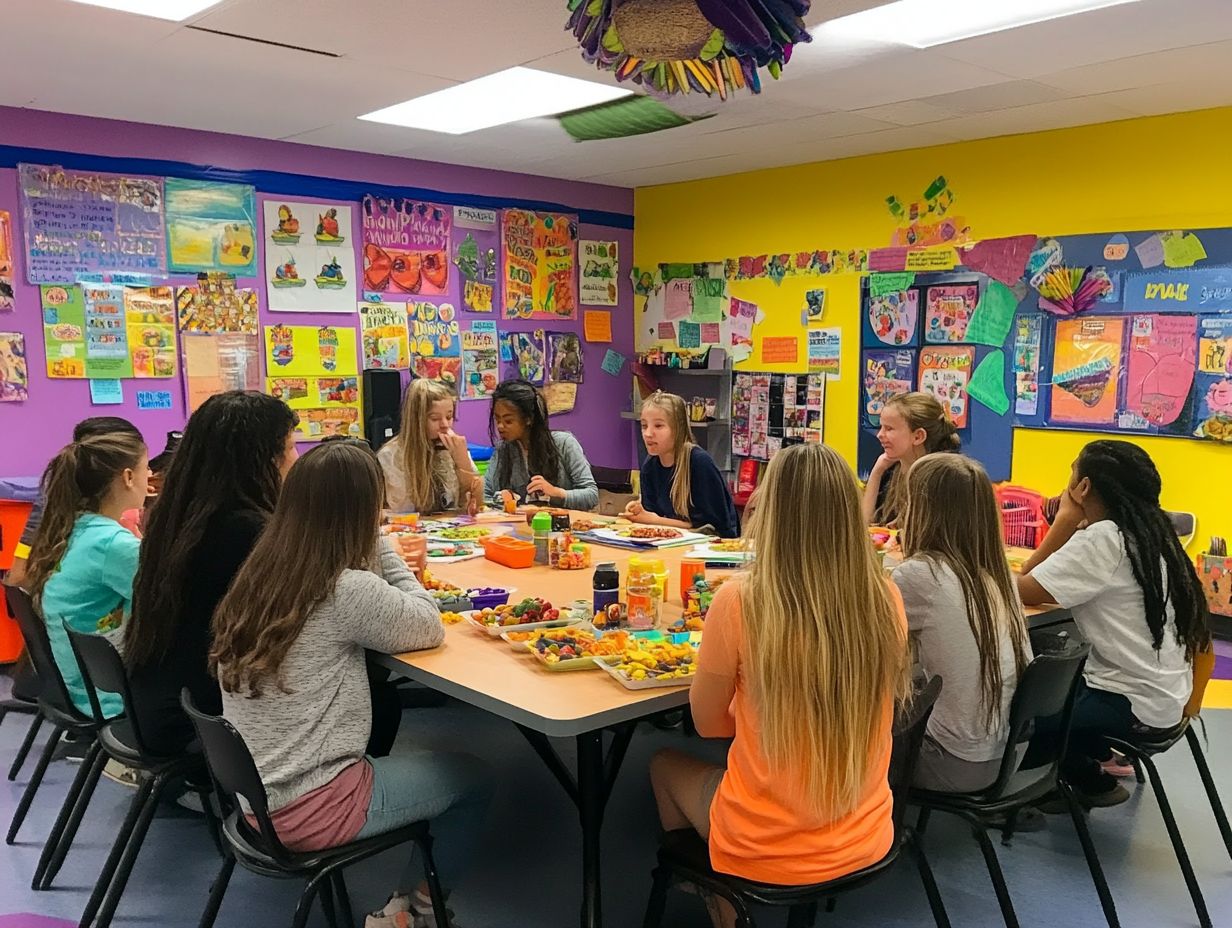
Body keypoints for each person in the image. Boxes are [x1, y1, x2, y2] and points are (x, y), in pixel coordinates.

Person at [212, 441, 490, 927]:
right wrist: (382, 542)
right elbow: (426, 622)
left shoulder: (258, 576)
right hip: (313, 806)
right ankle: (416, 911)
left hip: (256, 796)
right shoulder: (344, 588)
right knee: (476, 779)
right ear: (365, 512)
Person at [649, 443, 909, 927]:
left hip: (764, 844)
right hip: (870, 832)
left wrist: (756, 712)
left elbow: (706, 726)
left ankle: (719, 900)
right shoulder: (886, 597)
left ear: (769, 512)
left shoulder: (740, 601)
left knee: (663, 764)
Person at [1018, 440, 1209, 807]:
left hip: (1130, 704)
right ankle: (1091, 780)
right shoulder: (1156, 534)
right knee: (1060, 682)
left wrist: (1064, 522)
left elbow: (1026, 586)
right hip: (1167, 698)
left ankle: (1045, 786)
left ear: (1083, 487)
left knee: (1020, 710)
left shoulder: (1103, 538)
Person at [126, 392, 299, 757]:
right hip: (201, 724)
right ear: (264, 460)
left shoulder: (179, 517)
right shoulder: (248, 532)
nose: (295, 459)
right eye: (290, 447)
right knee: (372, 695)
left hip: (158, 709)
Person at [894, 454, 1032, 792]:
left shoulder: (921, 575)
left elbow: (860, 641)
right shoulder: (999, 576)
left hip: (950, 763)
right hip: (1007, 758)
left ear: (923, 511)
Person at [24, 432, 149, 718]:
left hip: (79, 686)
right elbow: (168, 606)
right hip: (110, 697)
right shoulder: (113, 544)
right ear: (128, 477)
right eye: (146, 469)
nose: (151, 476)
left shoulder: (76, 528)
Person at [5, 416, 143, 591]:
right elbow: (20, 575)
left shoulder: (83, 522)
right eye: (143, 466)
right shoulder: (108, 537)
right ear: (127, 476)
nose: (148, 473)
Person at [623, 391, 739, 538]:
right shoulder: (650, 465)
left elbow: (713, 527)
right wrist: (640, 513)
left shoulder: (699, 463)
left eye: (658, 426)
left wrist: (656, 521)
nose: (648, 433)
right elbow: (651, 517)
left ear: (678, 429)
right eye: (644, 426)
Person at [483, 379, 598, 510]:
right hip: (520, 527)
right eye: (497, 419)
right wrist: (500, 498)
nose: (500, 427)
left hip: (562, 525)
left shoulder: (564, 443)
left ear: (528, 419)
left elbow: (592, 495)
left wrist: (556, 493)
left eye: (508, 421)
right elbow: (485, 495)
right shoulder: (503, 449)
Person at [377, 379, 482, 515]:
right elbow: (401, 511)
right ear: (416, 421)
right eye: (435, 419)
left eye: (449, 417)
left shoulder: (454, 449)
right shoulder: (391, 456)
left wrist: (463, 465)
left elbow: (477, 507)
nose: (445, 425)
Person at [862, 392, 960, 526]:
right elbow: (862, 527)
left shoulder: (945, 480)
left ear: (918, 436)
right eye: (881, 427)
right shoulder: (888, 471)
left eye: (889, 429)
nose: (879, 435)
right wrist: (877, 472)